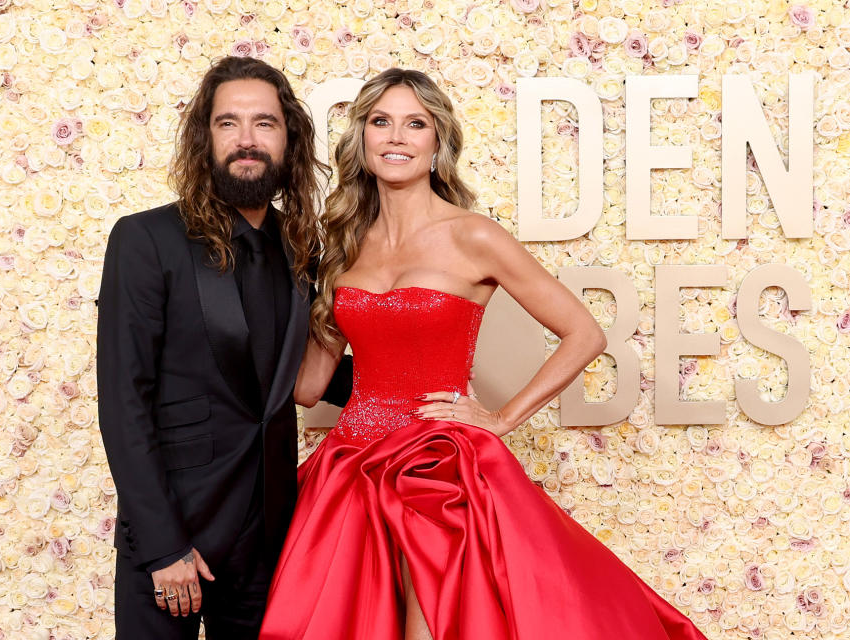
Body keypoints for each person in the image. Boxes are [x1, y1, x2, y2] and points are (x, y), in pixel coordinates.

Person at [258, 68, 707, 640]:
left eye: (414, 123)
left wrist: (499, 419)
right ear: (361, 139)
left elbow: (585, 333)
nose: (396, 137)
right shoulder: (344, 247)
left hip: (437, 468)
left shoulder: (474, 236)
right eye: (381, 122)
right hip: (353, 464)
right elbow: (307, 386)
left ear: (437, 141)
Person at [96, 56, 352, 639]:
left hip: (269, 539)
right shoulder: (145, 239)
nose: (246, 140)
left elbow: (300, 374)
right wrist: (163, 548)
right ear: (204, 138)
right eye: (227, 123)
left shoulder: (301, 249)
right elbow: (123, 400)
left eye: (264, 124)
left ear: (289, 138)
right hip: (172, 536)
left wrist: (415, 380)